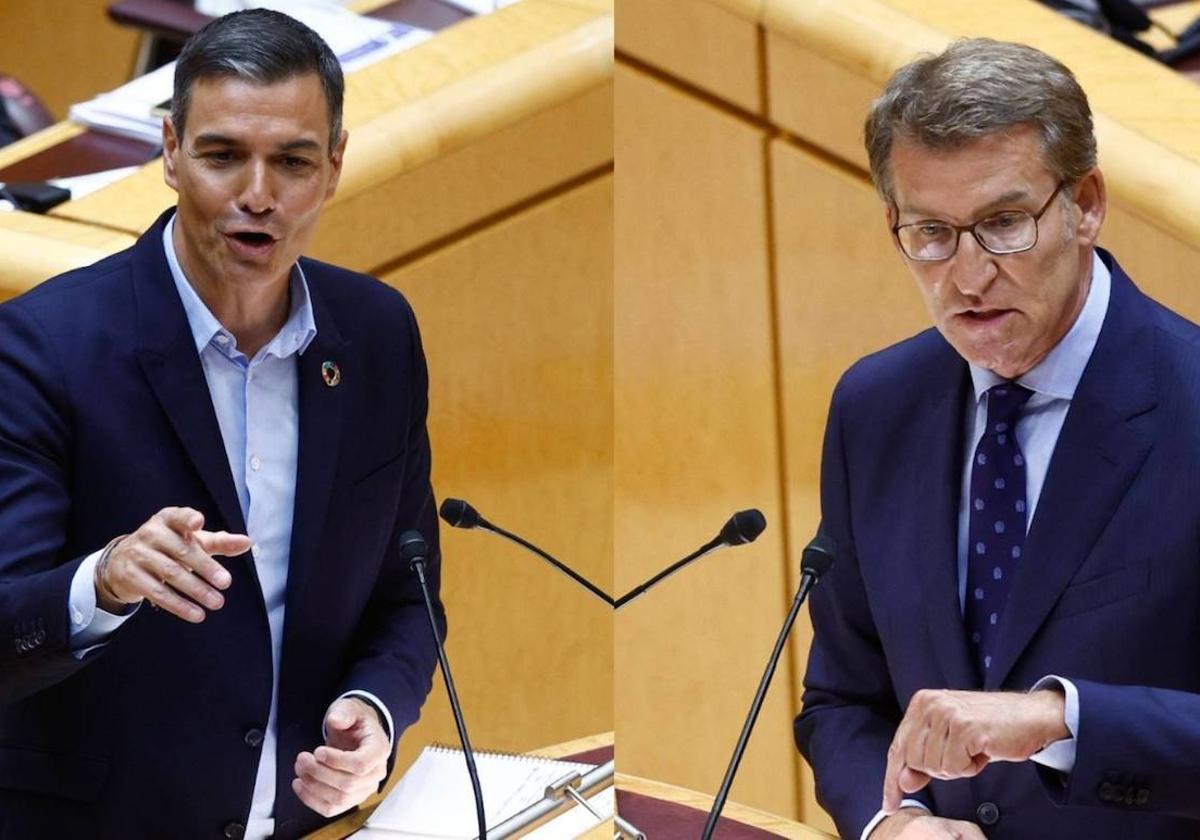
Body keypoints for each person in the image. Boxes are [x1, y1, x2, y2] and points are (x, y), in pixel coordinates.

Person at [0, 10, 442, 839]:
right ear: (169, 151)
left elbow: (407, 596)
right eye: (223, 155)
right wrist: (102, 580)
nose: (258, 196)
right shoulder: (43, 348)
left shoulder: (378, 335)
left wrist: (372, 713)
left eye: (293, 162)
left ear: (335, 165)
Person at [795, 38, 1200, 840]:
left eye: (1004, 224)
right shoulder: (874, 408)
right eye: (932, 233)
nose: (968, 277)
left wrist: (1062, 720)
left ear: (1085, 203)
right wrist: (893, 823)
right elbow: (843, 700)